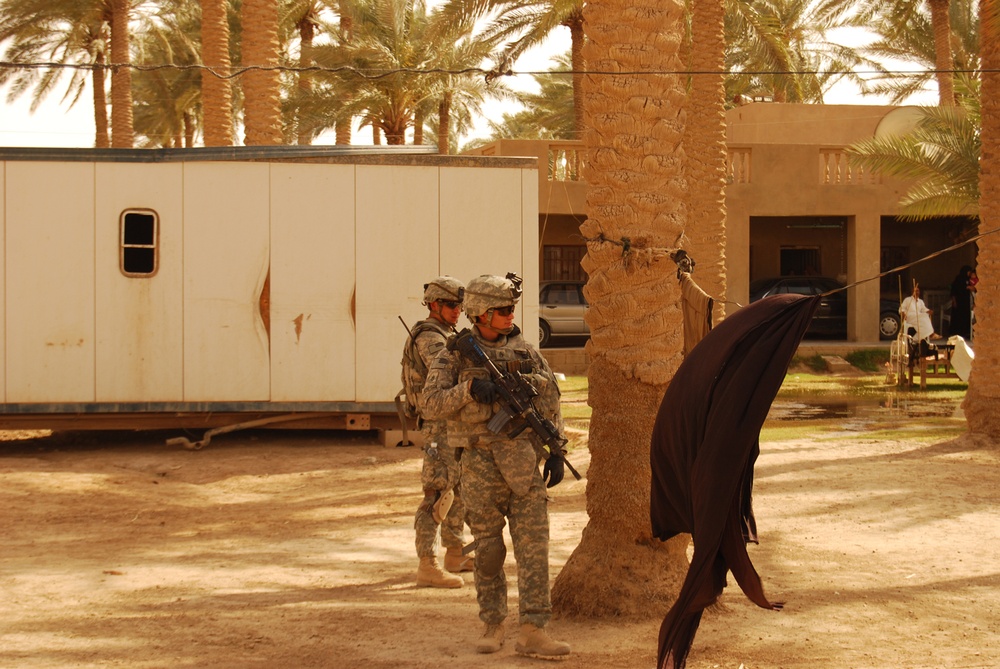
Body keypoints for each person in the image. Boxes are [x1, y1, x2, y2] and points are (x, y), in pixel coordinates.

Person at [421, 273, 571, 659]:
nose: (509, 316)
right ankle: (493, 624)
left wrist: (557, 447)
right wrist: (468, 389)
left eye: (511, 309)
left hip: (523, 464)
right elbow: (431, 405)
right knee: (488, 551)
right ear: (480, 314)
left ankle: (534, 629)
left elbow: (551, 401)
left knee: (534, 548)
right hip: (479, 464)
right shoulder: (452, 356)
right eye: (502, 310)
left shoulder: (526, 353)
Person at [404, 276, 473, 589]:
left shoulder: (448, 332)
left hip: (452, 421)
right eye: (450, 304)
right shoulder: (430, 336)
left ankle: (454, 553)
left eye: (459, 305)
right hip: (437, 424)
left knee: (456, 488)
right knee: (436, 492)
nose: (457, 310)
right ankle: (426, 564)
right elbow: (444, 368)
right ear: (433, 305)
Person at [949, 265, 975, 340]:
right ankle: (956, 333)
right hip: (959, 302)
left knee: (965, 317)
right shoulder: (959, 279)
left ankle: (965, 333)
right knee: (958, 317)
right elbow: (954, 291)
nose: (970, 273)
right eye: (969, 271)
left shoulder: (968, 280)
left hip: (965, 303)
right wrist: (954, 301)